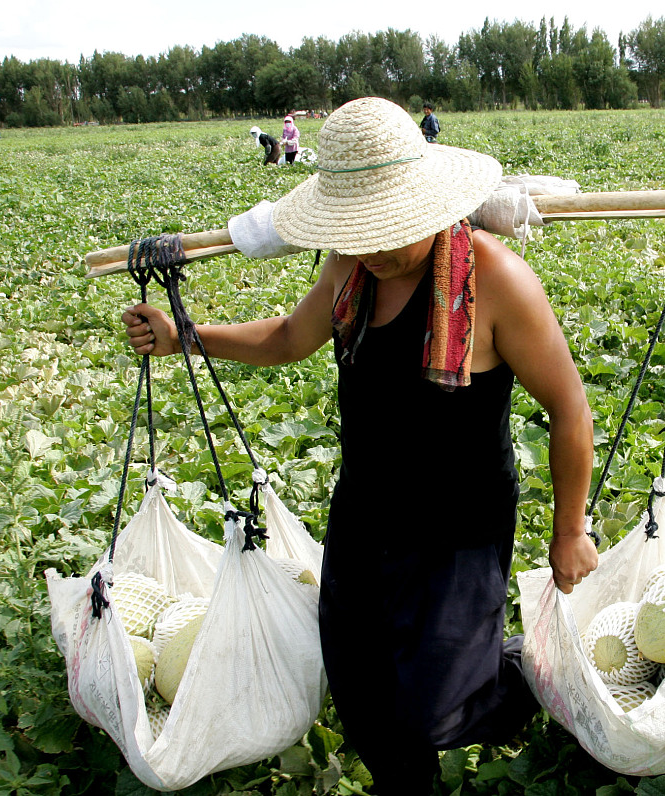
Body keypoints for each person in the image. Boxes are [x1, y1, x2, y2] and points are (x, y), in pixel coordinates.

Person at [122, 97, 598, 794]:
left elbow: (569, 407)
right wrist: (186, 337)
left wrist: (570, 531)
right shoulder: (350, 268)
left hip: (459, 532)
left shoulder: (494, 281)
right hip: (366, 518)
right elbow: (290, 337)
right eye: (359, 230)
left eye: (390, 228)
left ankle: (519, 674)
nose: (375, 247)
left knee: (436, 705)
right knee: (362, 688)